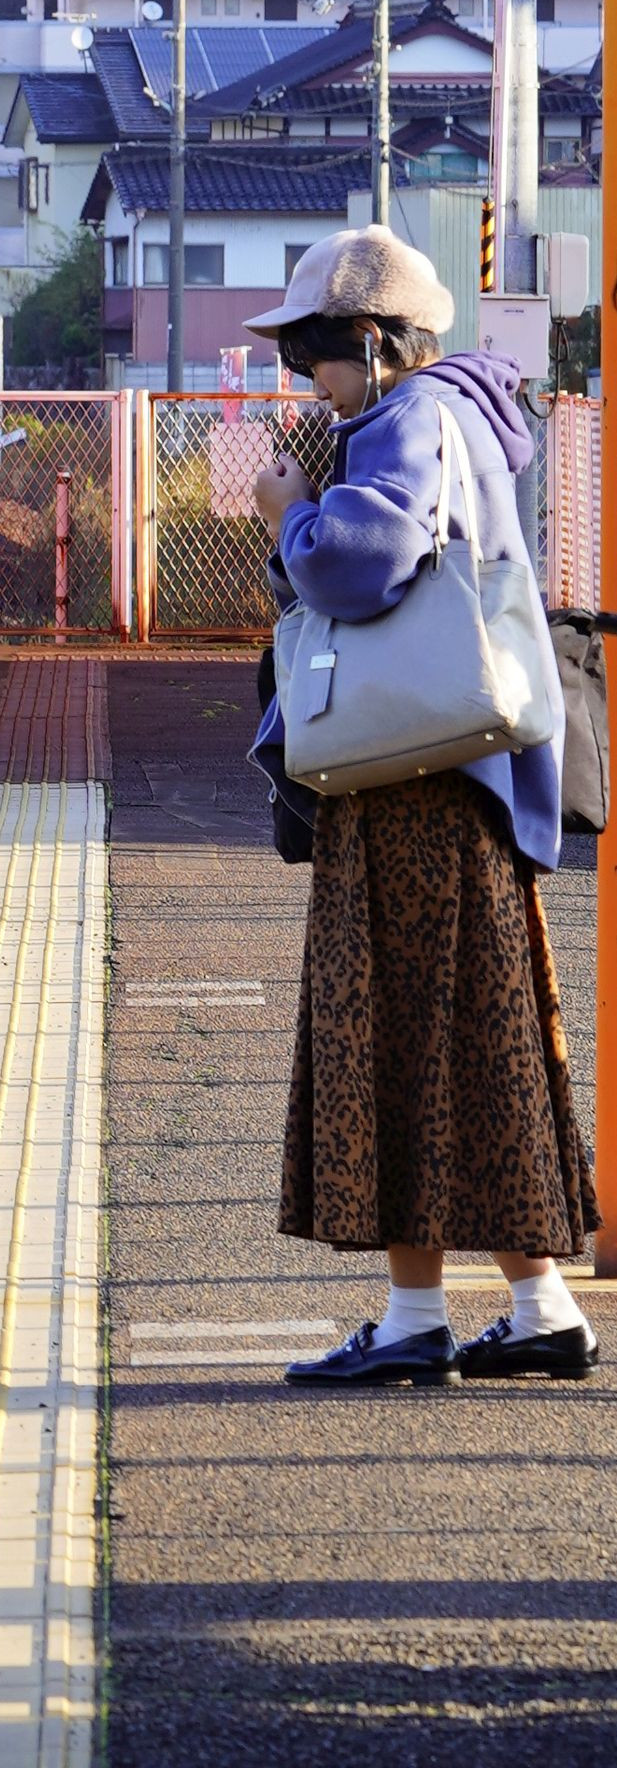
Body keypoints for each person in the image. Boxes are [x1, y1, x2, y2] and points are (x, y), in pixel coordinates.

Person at [246, 227, 594, 1387]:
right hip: (464, 781)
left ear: (369, 339)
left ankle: (413, 1318)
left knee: (395, 1039)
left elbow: (360, 563)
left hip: (410, 787)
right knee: (480, 1046)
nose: (306, 379)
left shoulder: (407, 418)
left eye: (309, 353)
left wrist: (290, 514)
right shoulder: (468, 414)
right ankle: (539, 1304)